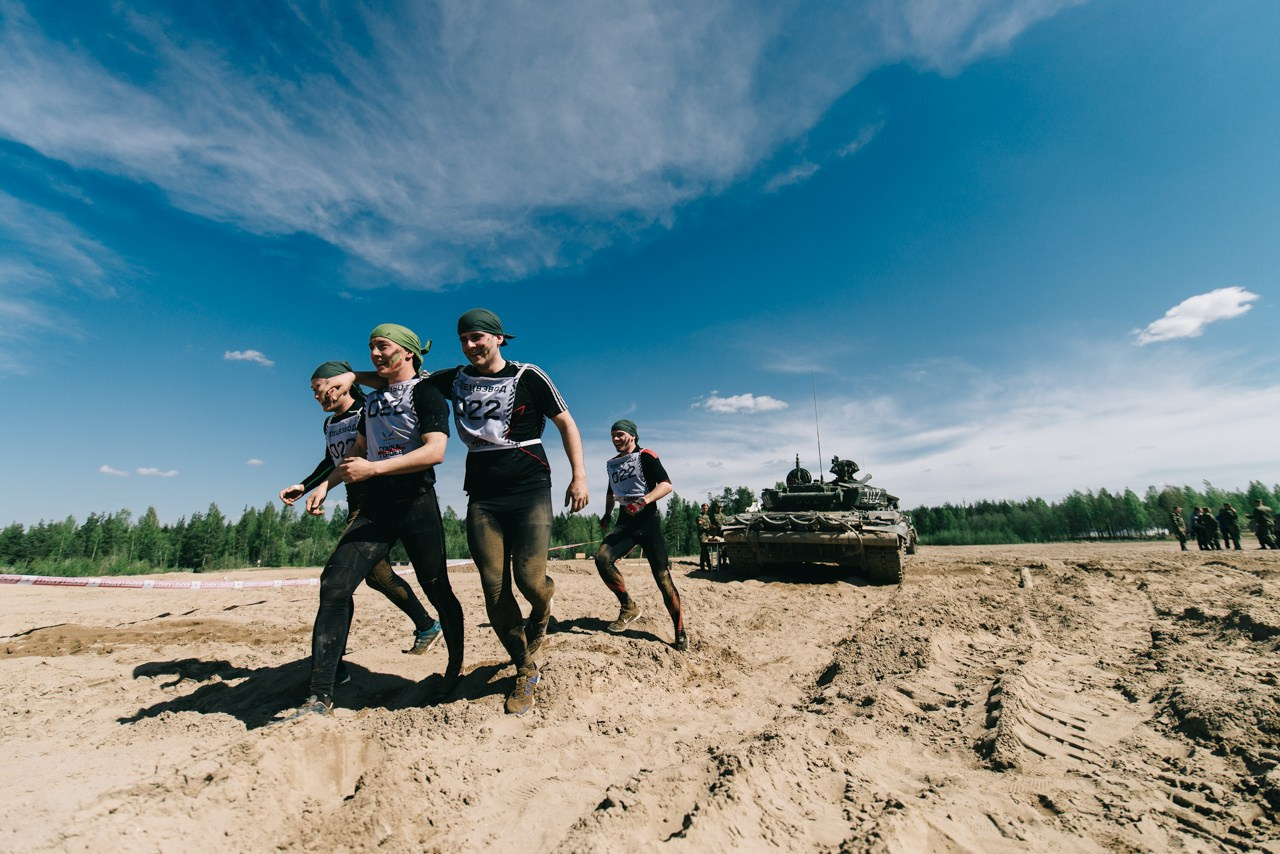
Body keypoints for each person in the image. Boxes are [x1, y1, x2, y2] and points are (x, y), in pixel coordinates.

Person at [290, 324, 465, 718]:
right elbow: (359, 447)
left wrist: (375, 469)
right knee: (334, 585)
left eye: (382, 346)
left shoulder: (427, 391)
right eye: (370, 347)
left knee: (437, 587)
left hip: (416, 502)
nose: (374, 353)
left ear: (405, 352)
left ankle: (453, 668)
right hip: (376, 507)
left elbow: (435, 451)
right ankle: (320, 693)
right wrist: (325, 484)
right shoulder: (372, 402)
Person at [278, 360, 442, 664]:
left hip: (381, 497)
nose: (318, 397)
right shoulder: (329, 424)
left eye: (321, 390)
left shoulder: (368, 408)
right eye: (313, 393)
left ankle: (334, 662)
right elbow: (334, 461)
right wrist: (307, 485)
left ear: (339, 385)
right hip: (356, 501)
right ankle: (426, 624)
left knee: (337, 581)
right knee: (377, 576)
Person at [595, 420, 687, 651]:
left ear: (633, 436)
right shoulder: (614, 464)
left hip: (648, 522)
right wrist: (607, 514)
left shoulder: (646, 456)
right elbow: (611, 491)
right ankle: (628, 606)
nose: (615, 439)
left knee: (663, 579)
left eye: (620, 435)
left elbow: (666, 485)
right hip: (625, 522)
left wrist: (644, 500)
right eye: (612, 436)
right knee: (602, 559)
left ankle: (680, 631)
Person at [696, 503, 714, 570]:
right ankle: (709, 566)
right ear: (702, 508)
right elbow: (700, 525)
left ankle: (702, 566)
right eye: (704, 508)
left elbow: (709, 525)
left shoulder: (707, 516)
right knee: (705, 551)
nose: (705, 509)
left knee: (703, 551)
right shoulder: (699, 516)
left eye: (706, 508)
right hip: (702, 535)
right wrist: (708, 527)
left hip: (707, 534)